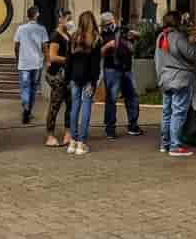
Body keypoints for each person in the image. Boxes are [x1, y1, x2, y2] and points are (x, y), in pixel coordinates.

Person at [154, 10, 196, 157]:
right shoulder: (178, 37)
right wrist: (192, 42)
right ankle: (175, 146)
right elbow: (191, 55)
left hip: (165, 79)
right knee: (178, 112)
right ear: (177, 22)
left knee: (167, 112)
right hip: (180, 79)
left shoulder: (161, 37)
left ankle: (164, 144)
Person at [100, 11, 143, 139]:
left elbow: (137, 38)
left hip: (127, 69)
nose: (110, 25)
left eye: (111, 22)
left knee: (132, 97)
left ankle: (133, 125)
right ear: (103, 25)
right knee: (111, 99)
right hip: (111, 70)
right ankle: (110, 129)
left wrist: (136, 35)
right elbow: (99, 54)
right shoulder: (101, 36)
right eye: (107, 24)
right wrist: (107, 46)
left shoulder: (123, 30)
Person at [66, 11, 101, 156]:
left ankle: (73, 142)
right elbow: (95, 64)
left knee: (74, 107)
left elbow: (69, 61)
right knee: (86, 108)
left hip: (75, 77)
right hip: (88, 78)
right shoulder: (95, 39)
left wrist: (67, 77)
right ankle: (81, 143)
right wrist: (94, 81)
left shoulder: (73, 37)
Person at [14, 6, 49, 124]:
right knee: (33, 87)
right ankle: (29, 110)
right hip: (37, 62)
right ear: (37, 15)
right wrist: (47, 60)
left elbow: (17, 46)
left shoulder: (20, 29)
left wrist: (18, 58)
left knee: (25, 86)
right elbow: (45, 47)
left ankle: (26, 107)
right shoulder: (41, 29)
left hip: (24, 62)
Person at [44, 10, 74, 147]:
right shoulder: (55, 36)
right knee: (55, 104)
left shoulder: (67, 34)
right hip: (57, 75)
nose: (70, 22)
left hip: (67, 75)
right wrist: (70, 60)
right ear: (60, 19)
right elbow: (53, 56)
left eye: (71, 19)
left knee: (70, 103)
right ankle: (50, 135)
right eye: (68, 19)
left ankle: (68, 132)